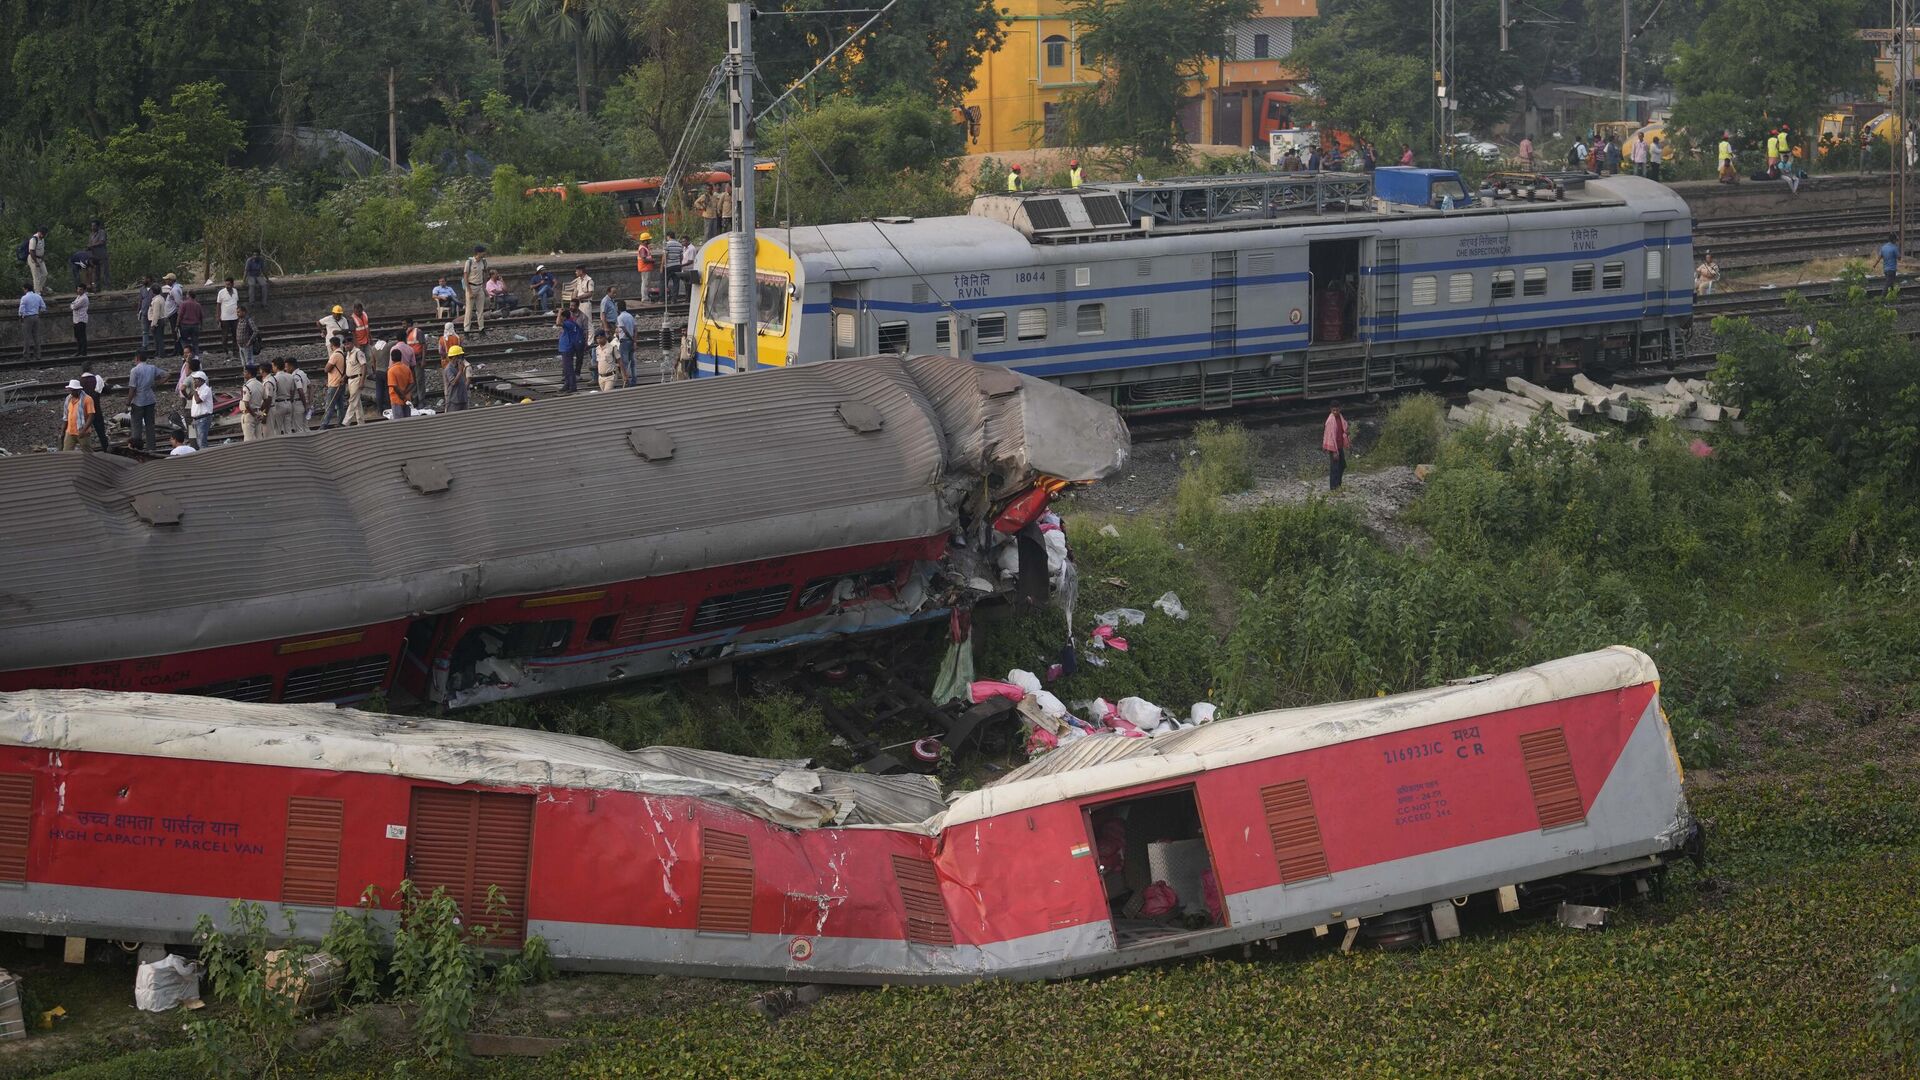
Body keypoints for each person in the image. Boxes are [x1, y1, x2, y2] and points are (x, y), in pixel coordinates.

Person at [127, 352, 159, 452]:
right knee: (150, 425)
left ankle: (136, 448)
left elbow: (132, 388)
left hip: (138, 402)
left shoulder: (134, 370)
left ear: (137, 358)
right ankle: (151, 448)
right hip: (150, 400)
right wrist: (156, 384)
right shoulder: (152, 368)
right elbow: (166, 374)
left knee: (136, 425)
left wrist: (128, 402)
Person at [78, 368, 109, 452]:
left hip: (84, 412)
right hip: (96, 410)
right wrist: (104, 383)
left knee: (84, 431)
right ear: (91, 369)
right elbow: (108, 390)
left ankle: (86, 452)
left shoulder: (80, 381)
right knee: (101, 433)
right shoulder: (96, 379)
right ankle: (106, 449)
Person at [268, 357, 301, 436]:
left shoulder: (274, 378)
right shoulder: (290, 376)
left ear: (276, 366)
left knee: (278, 429)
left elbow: (273, 393)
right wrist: (290, 400)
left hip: (279, 404)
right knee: (288, 428)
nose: (272, 368)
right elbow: (292, 391)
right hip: (289, 403)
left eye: (273, 366)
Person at [321, 338, 349, 428]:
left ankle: (324, 424)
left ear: (332, 345)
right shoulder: (342, 353)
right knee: (340, 405)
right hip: (341, 383)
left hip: (334, 384)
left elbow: (326, 369)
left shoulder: (335, 355)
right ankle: (340, 422)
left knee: (330, 405)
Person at [60, 379, 95, 452]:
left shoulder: (87, 399)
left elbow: (91, 416)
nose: (71, 392)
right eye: (70, 390)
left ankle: (93, 462)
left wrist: (83, 430)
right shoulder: (68, 399)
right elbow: (65, 417)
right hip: (70, 431)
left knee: (87, 452)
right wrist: (63, 431)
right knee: (66, 452)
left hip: (82, 431)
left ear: (78, 390)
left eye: (73, 390)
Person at [1322, 401, 1350, 491]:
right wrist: (1334, 452)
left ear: (1340, 409)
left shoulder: (1340, 417)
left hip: (1339, 446)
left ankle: (1338, 484)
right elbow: (1330, 436)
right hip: (1333, 447)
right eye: (1333, 410)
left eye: (1337, 410)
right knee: (1335, 467)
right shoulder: (1330, 421)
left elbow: (1343, 429)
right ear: (1331, 410)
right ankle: (1333, 488)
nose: (1335, 412)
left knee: (1342, 465)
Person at [344, 336, 372, 425]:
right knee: (357, 401)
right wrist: (344, 377)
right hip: (350, 380)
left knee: (352, 400)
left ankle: (345, 422)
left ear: (352, 343)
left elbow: (364, 366)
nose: (346, 346)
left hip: (357, 379)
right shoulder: (348, 354)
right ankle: (361, 422)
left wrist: (362, 381)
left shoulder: (358, 353)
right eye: (345, 344)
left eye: (348, 344)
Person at [557, 306, 585, 392]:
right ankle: (567, 384)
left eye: (561, 316)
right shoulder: (571, 322)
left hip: (567, 348)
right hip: (567, 348)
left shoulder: (568, 323)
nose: (560, 318)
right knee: (566, 368)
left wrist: (559, 313)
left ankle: (572, 386)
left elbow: (558, 323)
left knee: (569, 368)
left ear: (564, 317)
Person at [462, 244, 489, 333]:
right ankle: (466, 329)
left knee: (480, 310)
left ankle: (481, 328)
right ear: (478, 253)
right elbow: (465, 277)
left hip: (480, 287)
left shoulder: (484, 262)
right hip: (471, 286)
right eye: (483, 252)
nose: (485, 254)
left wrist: (484, 287)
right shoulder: (469, 262)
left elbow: (485, 273)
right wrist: (469, 291)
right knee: (469, 310)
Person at [239, 362, 268, 441]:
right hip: (258, 413)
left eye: (245, 372)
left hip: (249, 415)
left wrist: (254, 415)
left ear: (249, 374)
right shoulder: (260, 384)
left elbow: (247, 404)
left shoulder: (247, 386)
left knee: (249, 440)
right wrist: (260, 412)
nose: (243, 373)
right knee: (259, 438)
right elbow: (266, 400)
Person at [17, 284, 44, 366]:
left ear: (26, 289)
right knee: (36, 337)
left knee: (27, 337)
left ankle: (26, 356)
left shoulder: (24, 298)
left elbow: (21, 309)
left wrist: (21, 317)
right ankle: (38, 355)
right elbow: (43, 307)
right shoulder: (38, 296)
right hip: (36, 317)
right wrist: (38, 313)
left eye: (23, 289)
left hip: (27, 318)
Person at [187, 369, 214, 449]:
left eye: (196, 379)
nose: (194, 381)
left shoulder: (206, 389)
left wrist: (194, 391)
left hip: (203, 419)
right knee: (196, 441)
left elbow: (198, 401)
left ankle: (205, 458)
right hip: (196, 419)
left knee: (202, 442)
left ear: (201, 380)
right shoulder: (198, 389)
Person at [387, 348, 415, 419]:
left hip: (396, 399)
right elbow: (411, 383)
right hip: (407, 398)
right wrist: (405, 393)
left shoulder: (391, 371)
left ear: (392, 358)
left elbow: (394, 386)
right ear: (401, 357)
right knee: (408, 420)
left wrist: (401, 395)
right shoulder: (407, 368)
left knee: (399, 423)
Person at [443, 344, 470, 412]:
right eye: (460, 356)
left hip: (463, 398)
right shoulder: (448, 369)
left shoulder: (459, 366)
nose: (461, 358)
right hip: (454, 400)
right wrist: (460, 371)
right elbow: (453, 382)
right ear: (454, 357)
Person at [216, 278, 241, 353]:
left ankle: (235, 351)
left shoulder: (235, 291)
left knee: (235, 335)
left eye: (229, 284)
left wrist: (239, 315)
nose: (227, 286)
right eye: (226, 284)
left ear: (232, 284)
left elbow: (237, 303)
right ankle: (225, 351)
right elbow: (218, 305)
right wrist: (218, 316)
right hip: (225, 318)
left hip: (235, 317)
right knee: (225, 336)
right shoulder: (221, 292)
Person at [616, 300, 637, 384]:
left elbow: (624, 330)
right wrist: (634, 341)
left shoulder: (620, 317)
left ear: (618, 308)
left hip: (624, 341)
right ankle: (634, 379)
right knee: (632, 362)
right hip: (631, 342)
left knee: (624, 363)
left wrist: (631, 338)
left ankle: (626, 380)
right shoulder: (630, 316)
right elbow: (636, 329)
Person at [176, 290, 203, 355]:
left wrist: (177, 325)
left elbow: (180, 315)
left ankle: (187, 354)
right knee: (195, 343)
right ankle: (196, 356)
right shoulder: (198, 305)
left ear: (188, 295)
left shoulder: (184, 304)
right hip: (195, 325)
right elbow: (201, 316)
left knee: (184, 341)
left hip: (185, 325)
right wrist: (201, 325)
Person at [143, 280, 167, 355]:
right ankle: (158, 352)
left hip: (157, 321)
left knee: (158, 338)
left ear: (153, 291)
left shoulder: (156, 300)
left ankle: (161, 353)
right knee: (158, 338)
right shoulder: (161, 298)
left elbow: (156, 314)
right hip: (161, 320)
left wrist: (153, 324)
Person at [24, 226, 47, 296]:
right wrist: (36, 262)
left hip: (40, 258)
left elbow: (42, 248)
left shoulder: (42, 239)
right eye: (42, 234)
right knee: (36, 276)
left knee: (45, 274)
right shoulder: (33, 239)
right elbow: (31, 251)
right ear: (39, 232)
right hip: (33, 258)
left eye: (45, 234)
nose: (43, 235)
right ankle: (37, 293)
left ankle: (39, 288)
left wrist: (42, 257)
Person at [69, 283, 89, 360]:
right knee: (78, 336)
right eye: (78, 289)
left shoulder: (84, 298)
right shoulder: (79, 297)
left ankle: (83, 352)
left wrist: (72, 305)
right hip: (76, 319)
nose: (79, 291)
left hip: (81, 319)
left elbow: (74, 306)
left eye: (80, 289)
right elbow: (73, 304)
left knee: (82, 336)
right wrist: (72, 305)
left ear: (84, 290)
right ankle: (79, 351)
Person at [87, 219, 108, 291]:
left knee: (105, 272)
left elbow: (102, 242)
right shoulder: (91, 235)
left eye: (94, 226)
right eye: (92, 226)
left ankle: (106, 288)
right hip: (94, 256)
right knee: (96, 273)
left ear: (98, 226)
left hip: (102, 255)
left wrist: (92, 245)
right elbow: (90, 244)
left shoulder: (102, 232)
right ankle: (97, 289)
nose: (92, 228)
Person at [636, 232, 658, 302]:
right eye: (648, 240)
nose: (649, 241)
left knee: (646, 283)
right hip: (645, 268)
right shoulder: (642, 249)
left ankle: (646, 297)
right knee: (645, 283)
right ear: (645, 241)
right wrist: (652, 260)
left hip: (646, 268)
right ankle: (645, 298)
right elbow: (644, 259)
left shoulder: (645, 247)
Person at [663, 234, 684, 302]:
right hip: (677, 266)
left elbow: (665, 255)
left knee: (664, 282)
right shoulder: (680, 245)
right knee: (676, 283)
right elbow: (681, 256)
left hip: (669, 266)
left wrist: (663, 265)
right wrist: (679, 264)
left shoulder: (667, 244)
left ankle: (664, 298)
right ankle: (674, 299)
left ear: (668, 236)